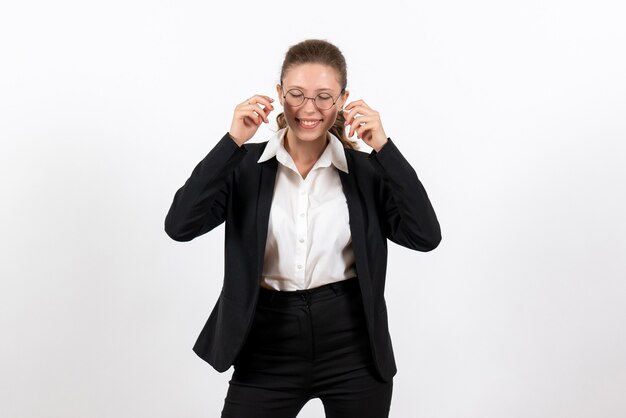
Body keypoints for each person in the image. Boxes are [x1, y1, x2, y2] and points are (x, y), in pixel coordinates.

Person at [164, 38, 441, 418]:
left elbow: (425, 235)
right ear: (279, 94)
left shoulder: (365, 173)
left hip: (352, 346)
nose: (309, 109)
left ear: (343, 100)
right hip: (266, 345)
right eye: (296, 94)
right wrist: (231, 142)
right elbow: (180, 225)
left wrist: (384, 148)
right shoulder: (245, 167)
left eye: (324, 96)